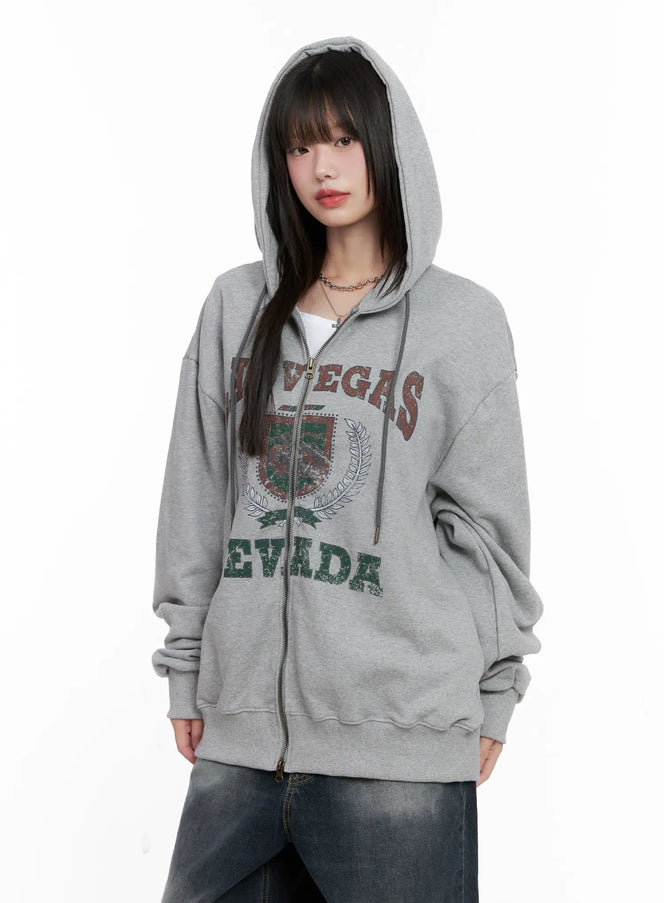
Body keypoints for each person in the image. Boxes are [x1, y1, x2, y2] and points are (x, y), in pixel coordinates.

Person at [152, 35, 544, 903]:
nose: (322, 167)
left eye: (342, 138)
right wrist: (187, 664)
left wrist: (494, 690)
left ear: (389, 143)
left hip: (399, 740)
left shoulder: (462, 323)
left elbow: (487, 530)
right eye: (299, 146)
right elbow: (197, 497)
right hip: (240, 743)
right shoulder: (235, 307)